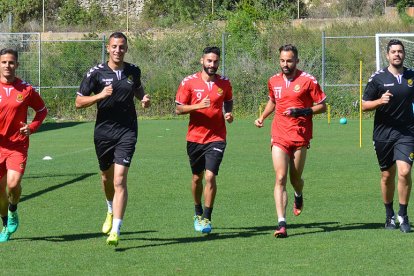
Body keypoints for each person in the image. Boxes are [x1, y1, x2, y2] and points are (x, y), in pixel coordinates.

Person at [75, 32, 150, 246]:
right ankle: (110, 209)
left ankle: (116, 229)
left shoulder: (133, 71)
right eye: (114, 46)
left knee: (119, 180)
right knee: (107, 179)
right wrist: (100, 96)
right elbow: (78, 102)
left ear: (126, 49)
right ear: (108, 48)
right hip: (104, 133)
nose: (118, 50)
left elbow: (137, 88)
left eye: (122, 47)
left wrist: (143, 98)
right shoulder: (96, 73)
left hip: (127, 131)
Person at [254, 44, 326, 238]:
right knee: (280, 177)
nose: (285, 64)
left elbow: (322, 106)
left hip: (300, 135)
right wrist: (263, 116)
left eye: (289, 60)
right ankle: (282, 223)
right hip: (279, 134)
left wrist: (302, 111)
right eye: (282, 60)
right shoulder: (273, 80)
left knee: (295, 179)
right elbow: (273, 100)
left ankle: (299, 195)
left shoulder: (308, 80)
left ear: (297, 61)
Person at [175, 46, 233, 234]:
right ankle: (197, 210)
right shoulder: (189, 82)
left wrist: (228, 112)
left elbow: (228, 100)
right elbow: (179, 109)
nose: (212, 64)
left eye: (215, 61)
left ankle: (207, 217)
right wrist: (198, 105)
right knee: (196, 178)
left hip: (216, 137)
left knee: (210, 176)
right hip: (195, 138)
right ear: (202, 61)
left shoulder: (224, 83)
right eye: (209, 61)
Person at [362, 39, 414, 233]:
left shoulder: (411, 76)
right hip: (383, 134)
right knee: (386, 175)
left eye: (400, 51)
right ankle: (389, 214)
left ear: (404, 54)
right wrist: (379, 101)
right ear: (387, 55)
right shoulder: (378, 78)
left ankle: (403, 214)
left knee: (404, 172)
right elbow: (364, 105)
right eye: (393, 52)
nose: (397, 54)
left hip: (407, 133)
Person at [0, 48, 48, 242]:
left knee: (13, 184)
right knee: (0, 194)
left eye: (11, 62)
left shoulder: (26, 90)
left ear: (17, 65)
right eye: (4, 62)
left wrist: (32, 127)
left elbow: (42, 110)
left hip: (17, 146)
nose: (7, 66)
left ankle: (13, 210)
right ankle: (5, 223)